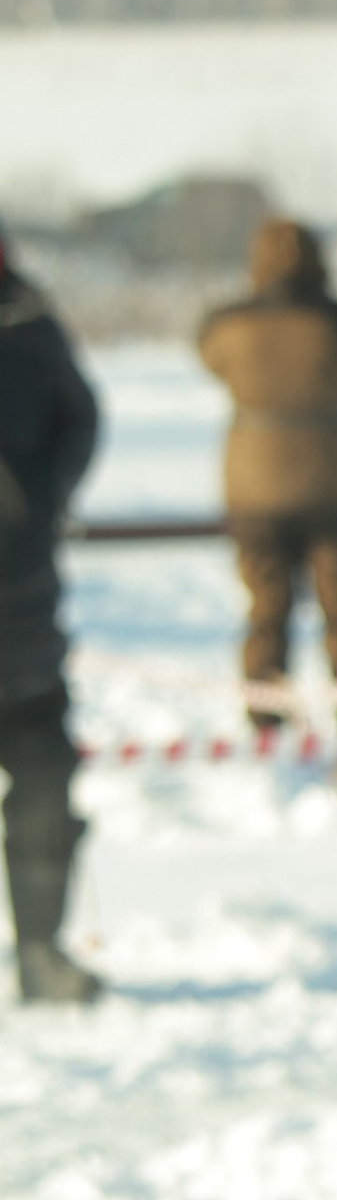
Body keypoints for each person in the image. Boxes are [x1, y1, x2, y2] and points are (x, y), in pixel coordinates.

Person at [196, 219, 337, 711]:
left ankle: (265, 716)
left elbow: (208, 357)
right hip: (334, 484)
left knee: (266, 608)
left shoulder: (230, 324)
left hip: (254, 487)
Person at [0, 226, 105, 1004]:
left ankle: (41, 953)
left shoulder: (28, 326)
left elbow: (82, 419)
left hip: (21, 604)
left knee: (42, 784)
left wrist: (39, 501)